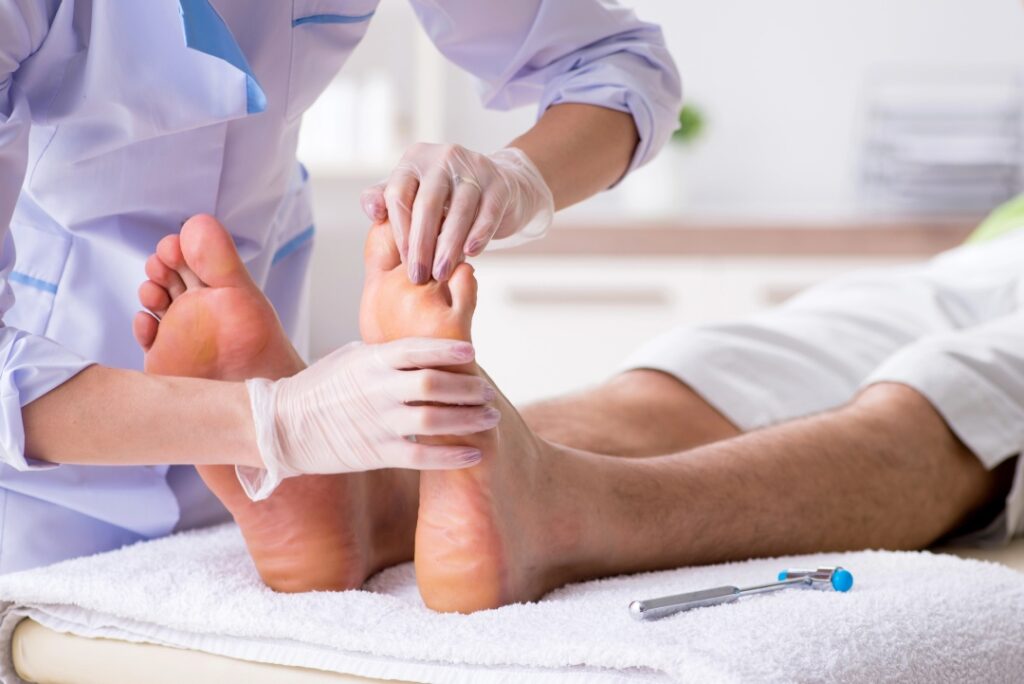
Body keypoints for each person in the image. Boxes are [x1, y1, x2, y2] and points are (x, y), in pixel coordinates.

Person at [0, 1, 681, 572]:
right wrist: (274, 422)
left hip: (270, 396)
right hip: (33, 462)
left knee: (681, 384)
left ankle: (356, 506)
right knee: (664, 401)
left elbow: (620, 65)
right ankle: (373, 503)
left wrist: (517, 178)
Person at [136, 195, 1023, 613]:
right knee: (720, 363)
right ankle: (383, 495)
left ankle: (566, 510)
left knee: (966, 388)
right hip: (995, 245)